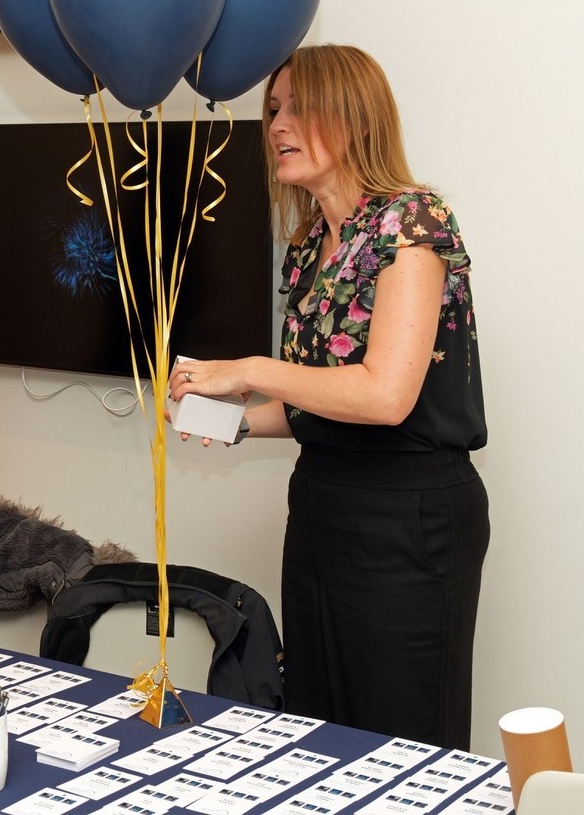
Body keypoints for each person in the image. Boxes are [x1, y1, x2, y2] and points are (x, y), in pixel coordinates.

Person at [170, 45, 488, 750]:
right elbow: (317, 398)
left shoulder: (414, 221)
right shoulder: (310, 243)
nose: (277, 124)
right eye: (273, 110)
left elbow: (384, 396)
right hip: (322, 508)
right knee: (319, 731)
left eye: (296, 108)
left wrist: (247, 367)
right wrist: (230, 423)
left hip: (410, 521)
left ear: (351, 117)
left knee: (402, 743)